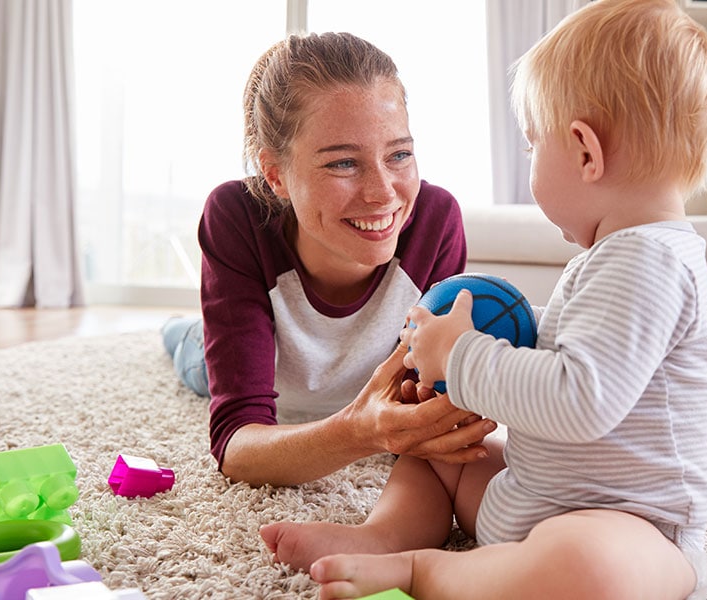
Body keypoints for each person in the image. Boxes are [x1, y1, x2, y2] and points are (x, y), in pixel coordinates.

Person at [263, 0, 707, 597]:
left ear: (586, 152)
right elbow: (576, 347)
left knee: (588, 568)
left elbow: (579, 401)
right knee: (438, 452)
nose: (530, 158)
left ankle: (423, 570)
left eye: (534, 144)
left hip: (632, 527)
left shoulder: (650, 260)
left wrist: (463, 355)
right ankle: (386, 534)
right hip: (537, 493)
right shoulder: (613, 256)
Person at [162, 32, 497, 488]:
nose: (383, 193)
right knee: (193, 353)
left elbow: (428, 390)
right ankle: (176, 331)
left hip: (351, 386)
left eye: (399, 154)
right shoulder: (235, 215)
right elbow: (237, 449)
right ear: (275, 174)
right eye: (343, 163)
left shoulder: (436, 220)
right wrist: (362, 433)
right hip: (253, 365)